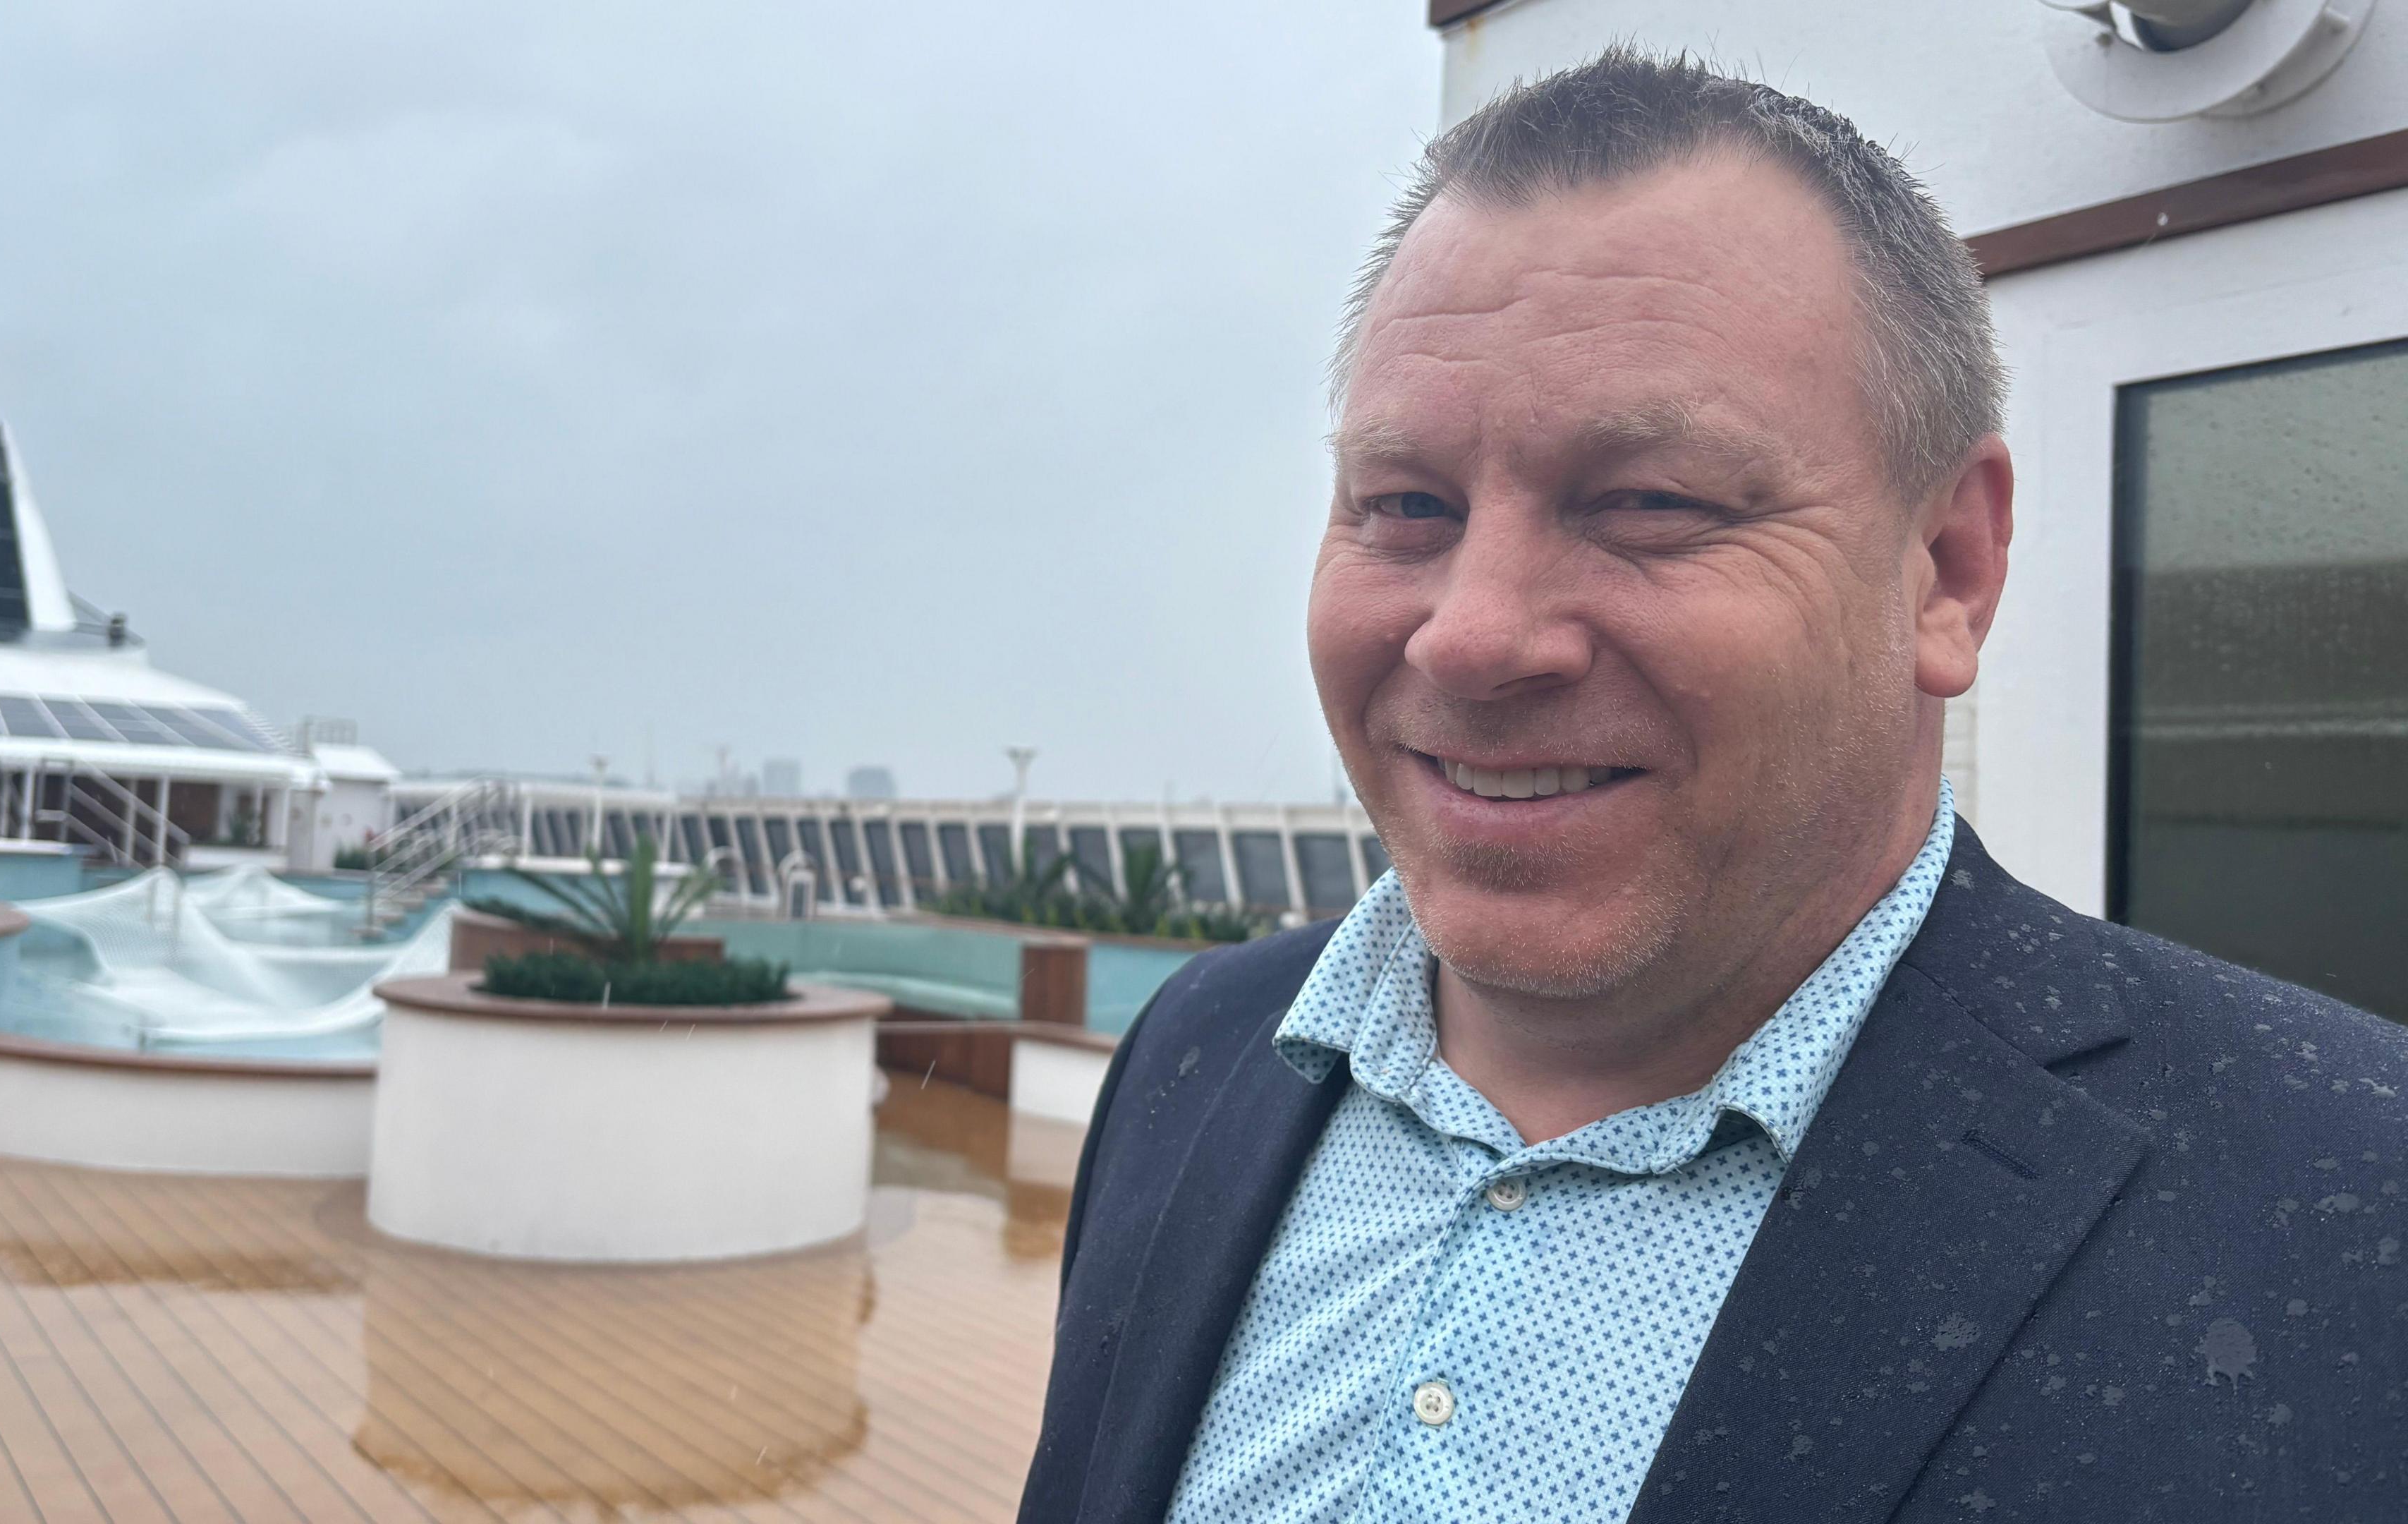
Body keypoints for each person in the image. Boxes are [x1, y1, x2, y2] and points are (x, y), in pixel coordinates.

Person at [1018, 47, 2408, 1524]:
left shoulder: (2351, 1212)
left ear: (1948, 570)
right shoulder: (1199, 1053)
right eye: (1406, 504)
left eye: (1652, 506)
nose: (1474, 634)